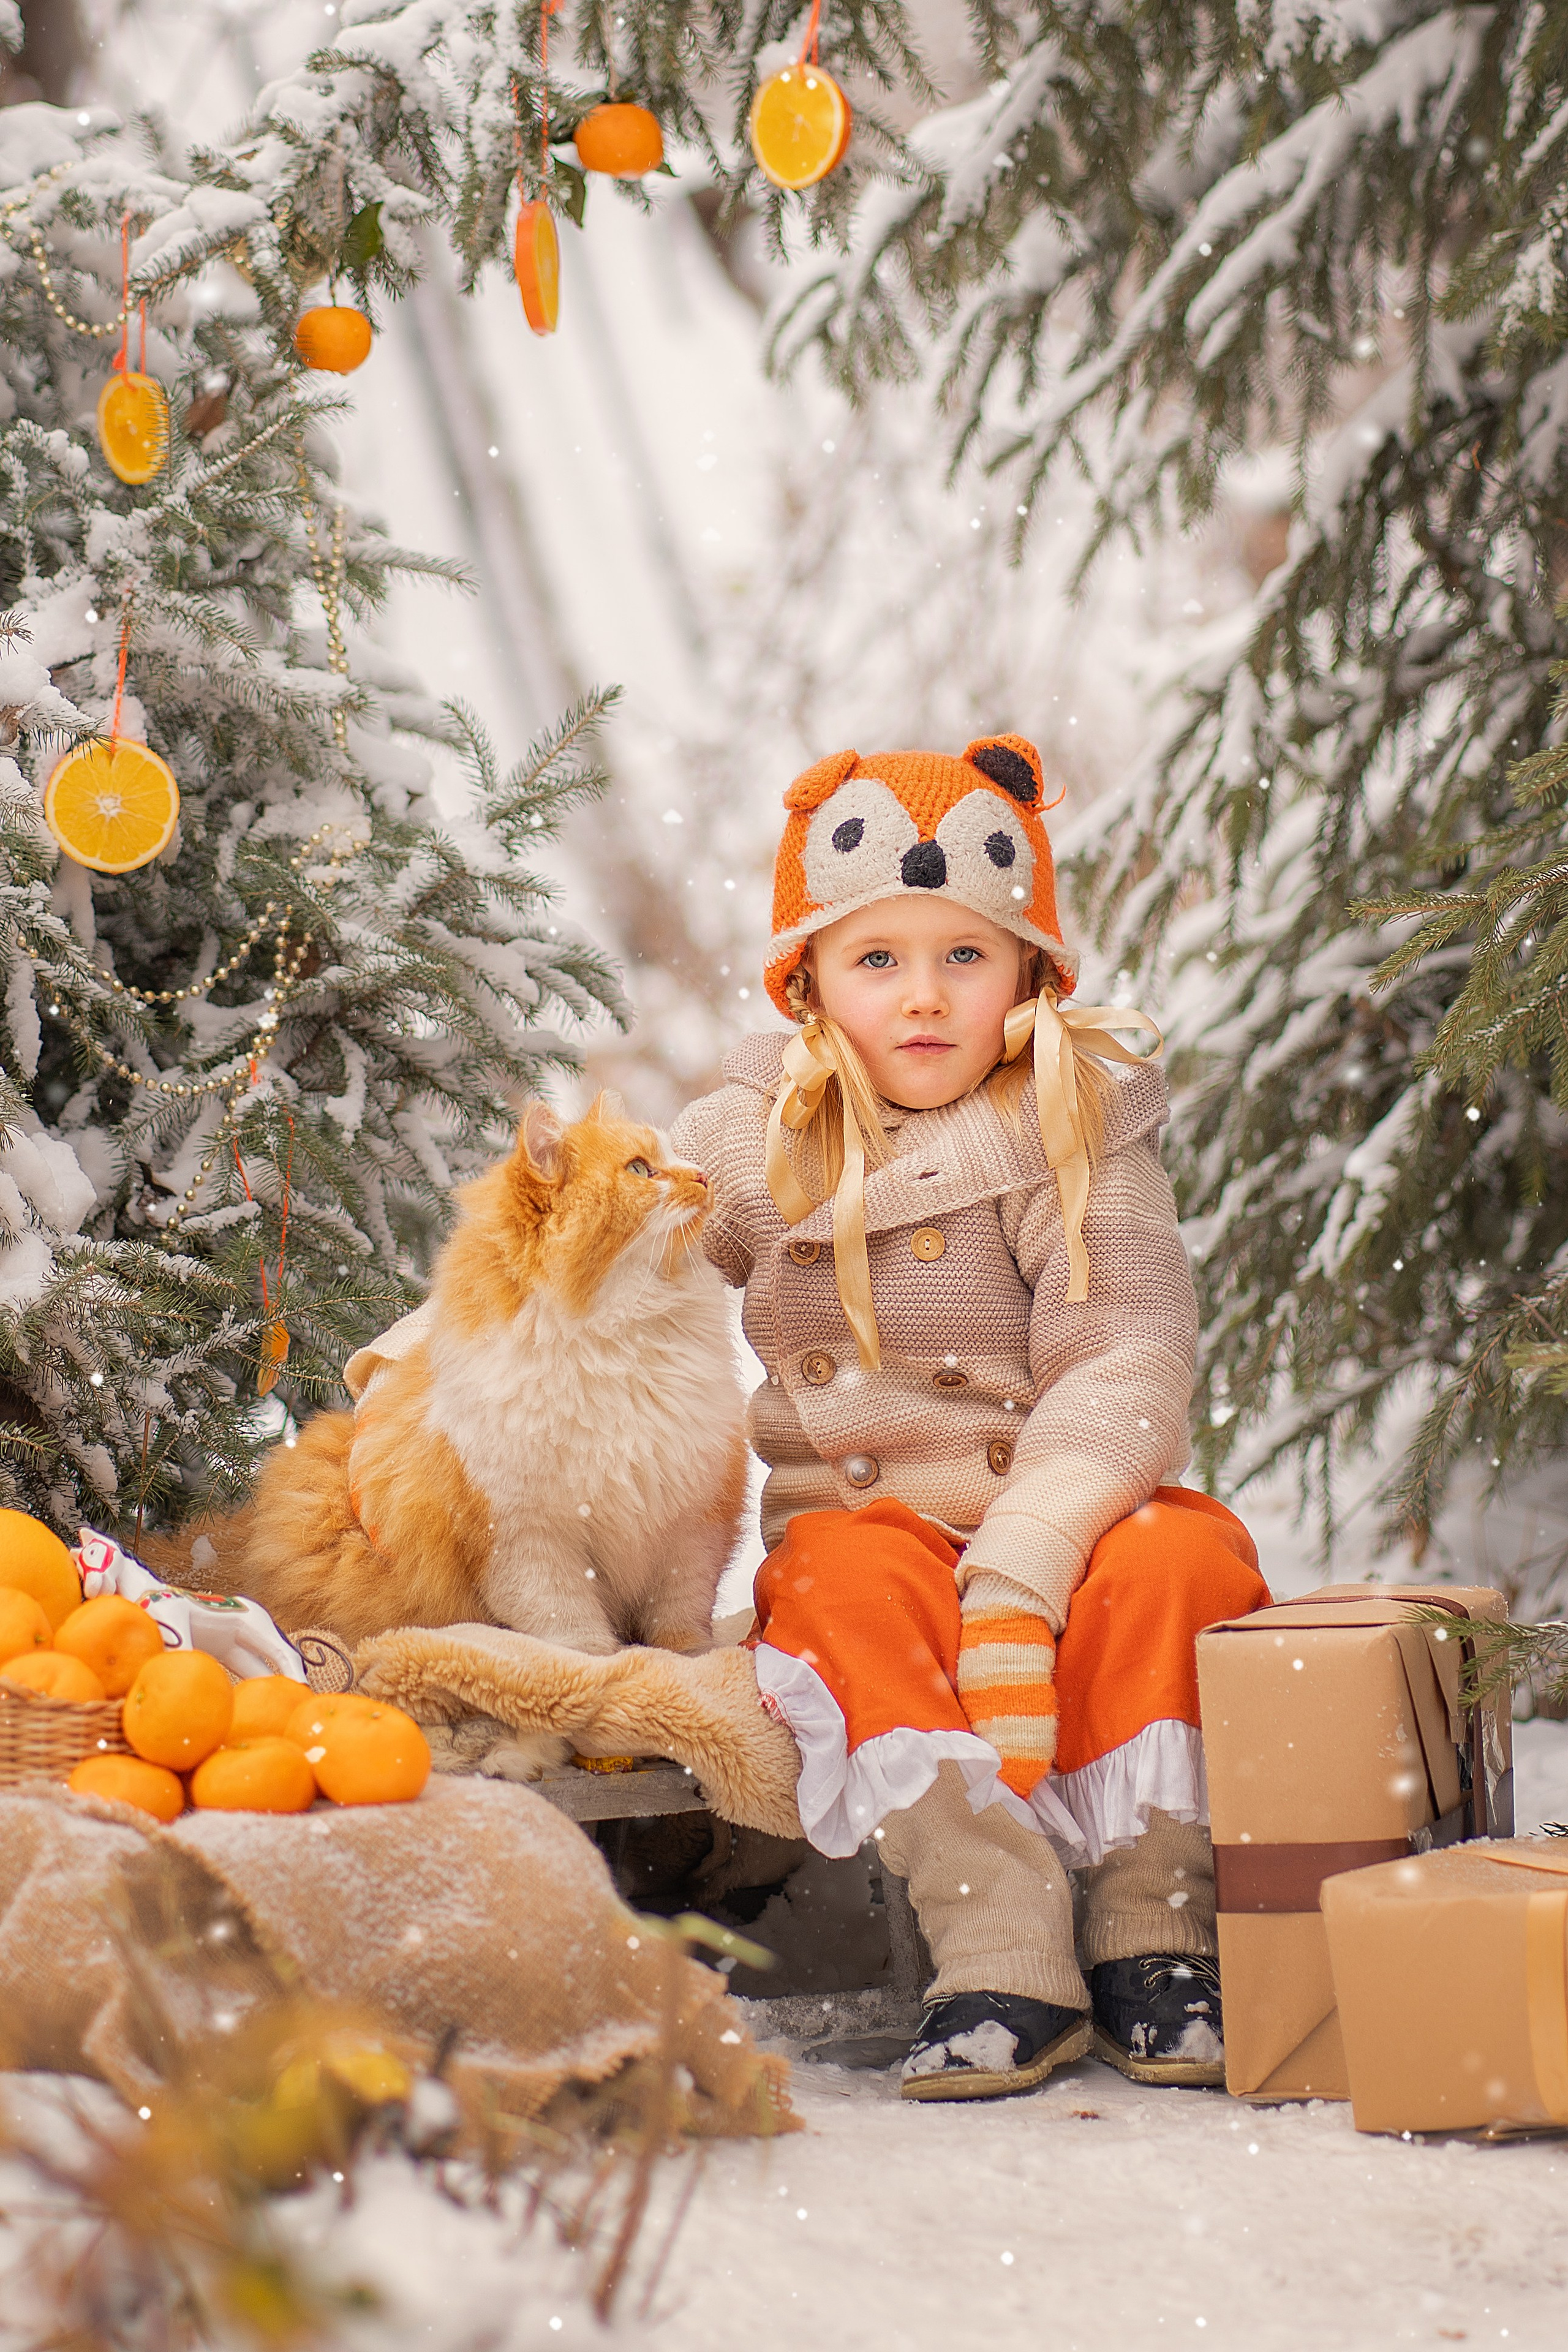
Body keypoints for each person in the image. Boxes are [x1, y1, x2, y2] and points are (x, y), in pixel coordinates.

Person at [669, 734, 1270, 2103]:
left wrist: (1029, 1550)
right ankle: (995, 1944)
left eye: (963, 956)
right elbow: (593, 1267)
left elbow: (1123, 1346)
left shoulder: (1072, 1124)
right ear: (807, 981)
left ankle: (1149, 1932)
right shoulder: (746, 1140)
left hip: (1058, 1506)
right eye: (875, 959)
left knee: (1184, 1561)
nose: (922, 998)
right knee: (833, 1585)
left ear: (1028, 974)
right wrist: (440, 1357)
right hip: (870, 1518)